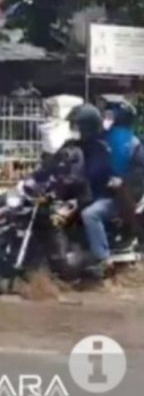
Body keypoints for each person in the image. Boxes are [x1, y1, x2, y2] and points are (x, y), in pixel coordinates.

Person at [69, 104, 115, 274]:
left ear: (87, 126)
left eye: (78, 125)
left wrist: (77, 179)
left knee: (90, 214)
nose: (76, 129)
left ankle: (103, 259)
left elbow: (95, 172)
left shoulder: (100, 147)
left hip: (103, 196)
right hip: (83, 194)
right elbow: (57, 160)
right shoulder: (74, 145)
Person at [98, 95, 144, 245]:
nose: (106, 116)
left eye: (109, 113)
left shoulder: (122, 139)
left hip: (122, 187)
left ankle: (131, 232)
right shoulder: (125, 138)